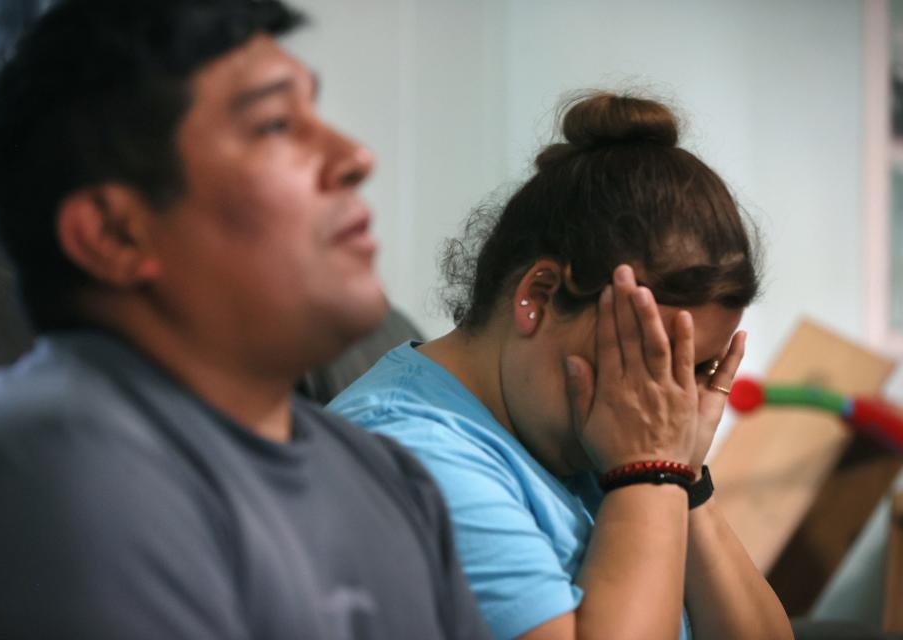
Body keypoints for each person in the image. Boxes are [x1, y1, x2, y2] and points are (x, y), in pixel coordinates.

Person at [0, 1, 491, 638]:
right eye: (276, 124)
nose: (356, 156)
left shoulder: (390, 477)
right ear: (116, 233)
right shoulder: (43, 488)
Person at [329, 93, 794, 640]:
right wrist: (649, 471)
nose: (669, 403)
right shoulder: (410, 459)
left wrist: (682, 475)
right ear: (539, 295)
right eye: (650, 362)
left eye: (697, 370)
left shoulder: (607, 442)